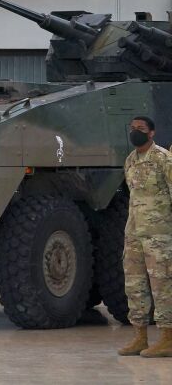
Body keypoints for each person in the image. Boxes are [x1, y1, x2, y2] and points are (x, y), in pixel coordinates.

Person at [118, 115, 172, 358]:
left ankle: (168, 338)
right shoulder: (130, 160)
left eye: (140, 129)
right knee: (135, 285)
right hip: (135, 234)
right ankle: (140, 336)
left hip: (159, 236)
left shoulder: (163, 159)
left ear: (151, 133)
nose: (135, 132)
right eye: (132, 128)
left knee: (163, 287)